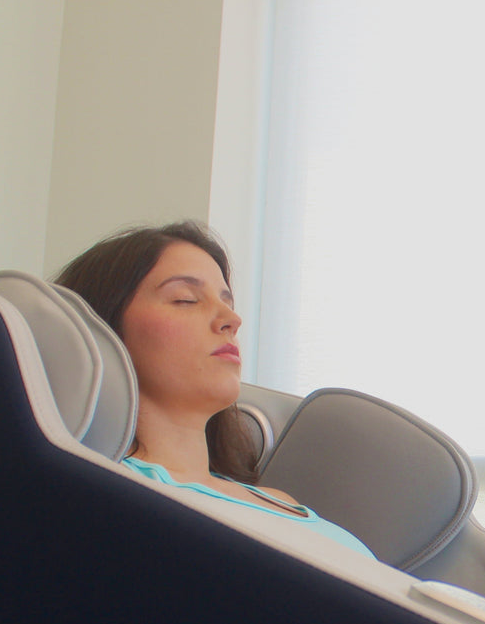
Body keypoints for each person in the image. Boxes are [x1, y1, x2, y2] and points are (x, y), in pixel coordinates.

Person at [55, 221, 375, 558]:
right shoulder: (113, 495)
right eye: (185, 299)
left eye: (227, 300)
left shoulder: (280, 501)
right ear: (100, 331)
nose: (231, 319)